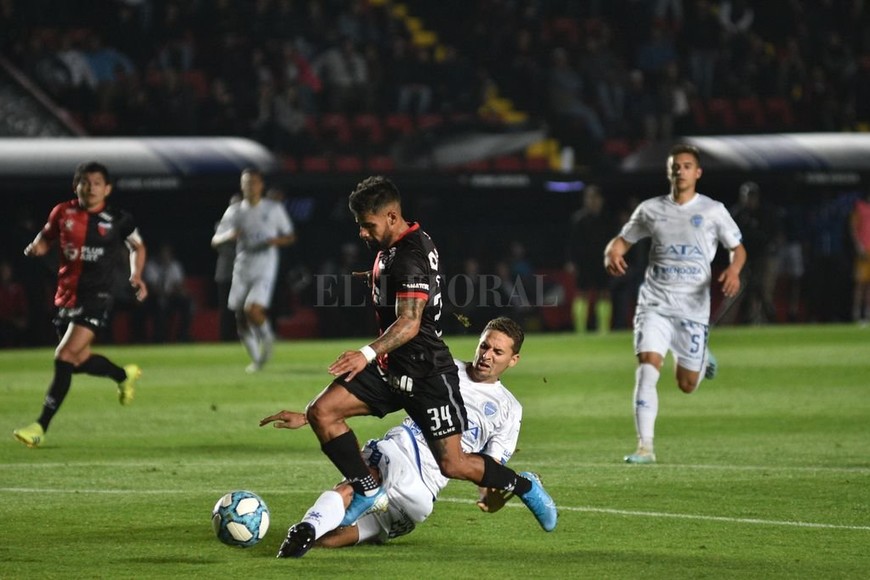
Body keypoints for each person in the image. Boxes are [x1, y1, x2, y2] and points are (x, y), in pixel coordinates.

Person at [297, 176, 556, 534]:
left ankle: (524, 486)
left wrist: (365, 354)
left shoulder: (409, 257)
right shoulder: (401, 245)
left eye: (367, 225)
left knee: (452, 463)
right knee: (321, 412)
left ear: (390, 217)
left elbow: (410, 324)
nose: (362, 233)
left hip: (424, 370)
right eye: (359, 225)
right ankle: (367, 488)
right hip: (395, 365)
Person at [261, 317, 532, 558]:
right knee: (332, 541)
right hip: (420, 500)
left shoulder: (508, 409)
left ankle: (306, 528)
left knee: (354, 486)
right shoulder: (445, 370)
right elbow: (387, 393)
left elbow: (488, 469)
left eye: (498, 352)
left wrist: (490, 497)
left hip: (407, 460)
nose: (487, 355)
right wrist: (309, 416)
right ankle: (307, 536)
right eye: (485, 346)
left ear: (513, 359)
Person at [604, 144, 746, 464]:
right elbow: (622, 241)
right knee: (647, 369)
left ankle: (699, 352)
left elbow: (738, 248)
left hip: (693, 309)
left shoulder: (713, 211)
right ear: (669, 172)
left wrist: (734, 269)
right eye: (675, 166)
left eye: (686, 166)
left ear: (698, 173)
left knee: (687, 385)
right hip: (654, 303)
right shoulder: (651, 210)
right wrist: (612, 252)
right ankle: (645, 447)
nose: (680, 171)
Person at [13, 161, 147, 448]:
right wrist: (39, 246)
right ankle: (123, 375)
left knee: (64, 356)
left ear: (107, 188)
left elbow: (138, 246)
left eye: (97, 183)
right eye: (85, 182)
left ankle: (40, 426)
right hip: (66, 295)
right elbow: (46, 236)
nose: (91, 187)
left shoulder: (117, 218)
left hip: (98, 296)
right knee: (76, 361)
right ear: (76, 186)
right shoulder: (63, 212)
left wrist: (136, 275)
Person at [211, 169, 295, 372]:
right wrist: (229, 235)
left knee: (252, 309)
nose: (250, 186)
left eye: (254, 183)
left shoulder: (273, 209)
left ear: (261, 185)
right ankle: (257, 360)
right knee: (240, 315)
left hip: (265, 265)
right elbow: (215, 240)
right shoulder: (235, 211)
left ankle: (267, 340)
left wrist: (275, 240)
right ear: (242, 185)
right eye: (246, 183)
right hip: (242, 266)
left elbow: (290, 236)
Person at [565, 184, 617, 333]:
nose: (592, 200)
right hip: (583, 262)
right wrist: (571, 262)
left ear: (601, 200)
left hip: (603, 262)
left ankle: (603, 329)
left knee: (605, 293)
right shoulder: (578, 219)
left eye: (595, 197)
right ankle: (580, 330)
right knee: (582, 294)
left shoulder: (608, 219)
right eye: (589, 197)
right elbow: (571, 243)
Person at [138, 242, 193, 342]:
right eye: (163, 253)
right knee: (159, 304)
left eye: (167, 253)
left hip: (171, 297)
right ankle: (159, 338)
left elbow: (178, 285)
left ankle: (182, 336)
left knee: (186, 303)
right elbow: (152, 287)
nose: (165, 256)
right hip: (154, 298)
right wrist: (163, 295)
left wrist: (178, 292)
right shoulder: (151, 266)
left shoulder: (175, 266)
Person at [213, 193, 241, 342]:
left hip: (243, 274)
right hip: (225, 273)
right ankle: (226, 338)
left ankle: (241, 338)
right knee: (226, 308)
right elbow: (220, 247)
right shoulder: (221, 225)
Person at [850, 190, 870, 323]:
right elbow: (852, 228)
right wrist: (858, 246)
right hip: (864, 251)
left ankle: (867, 313)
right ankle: (856, 313)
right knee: (860, 284)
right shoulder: (859, 207)